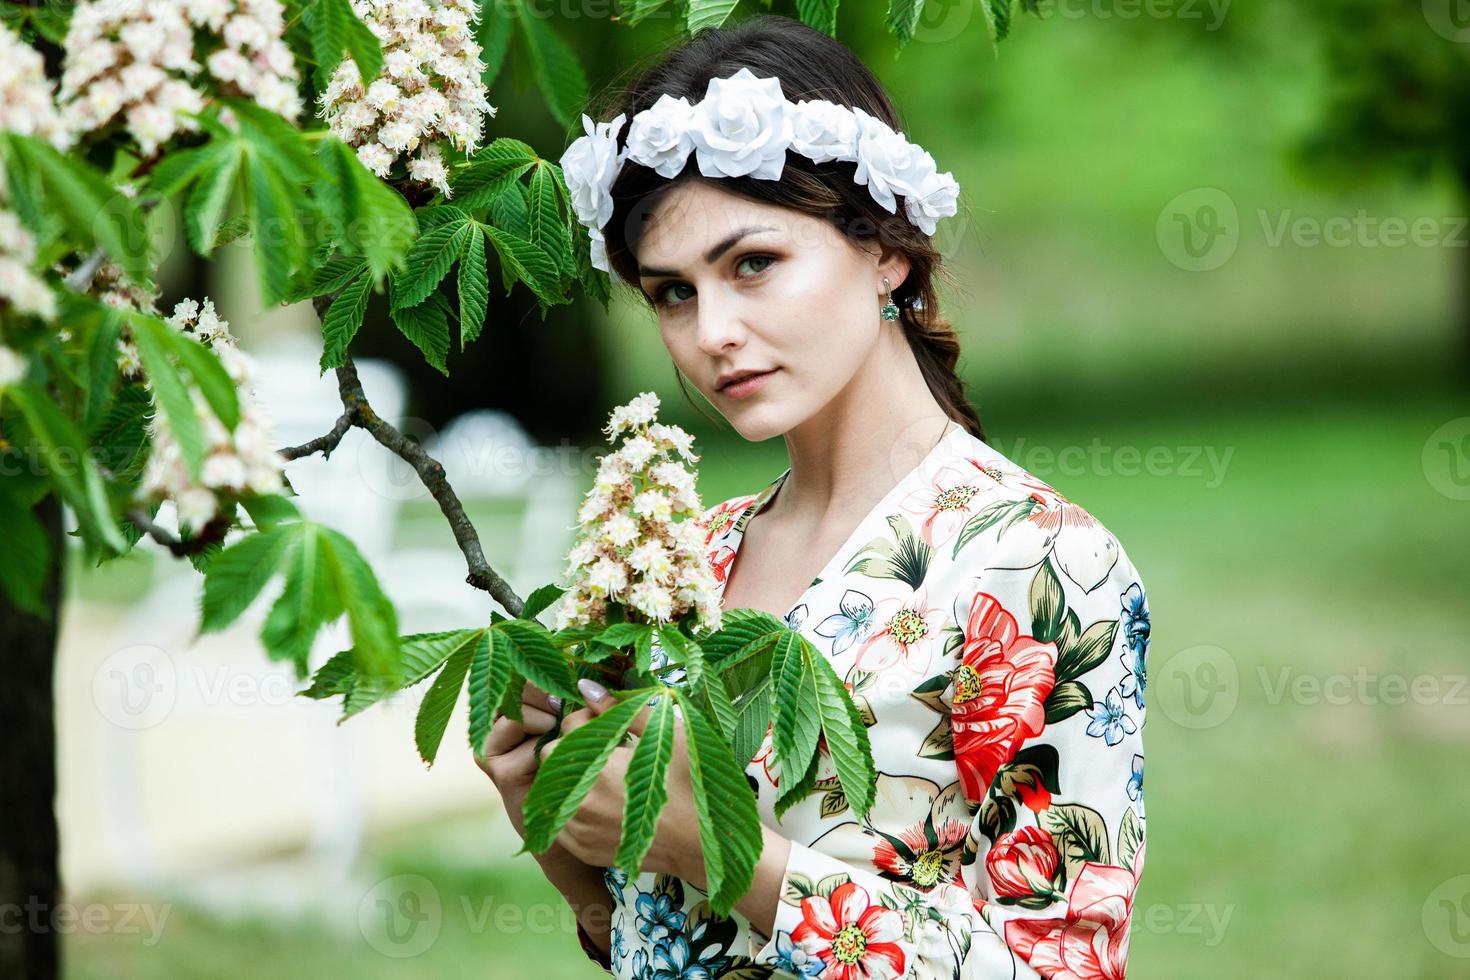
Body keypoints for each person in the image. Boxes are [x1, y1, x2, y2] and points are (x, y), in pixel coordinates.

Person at [476, 14, 1150, 979]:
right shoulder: (680, 562)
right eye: (672, 292)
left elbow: (1053, 965)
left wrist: (723, 852)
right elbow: (664, 932)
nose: (712, 331)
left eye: (753, 264)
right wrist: (568, 857)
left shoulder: (1037, 562)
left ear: (888, 250)